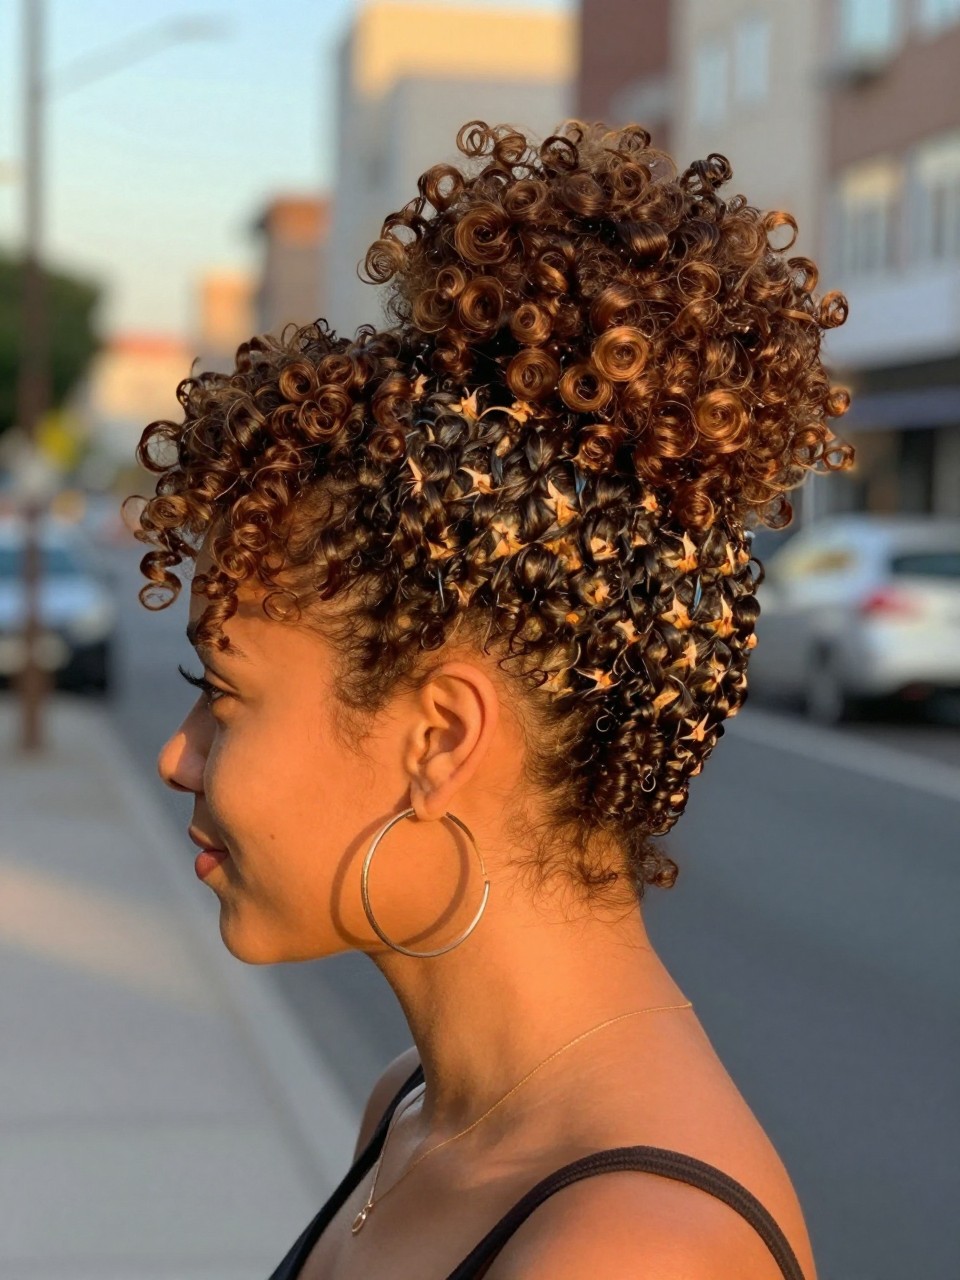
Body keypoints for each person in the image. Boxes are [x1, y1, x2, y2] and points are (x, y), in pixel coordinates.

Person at [134, 121, 853, 1279]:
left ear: (441, 736)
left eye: (221, 695)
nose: (179, 753)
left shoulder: (629, 1252)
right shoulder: (411, 1110)